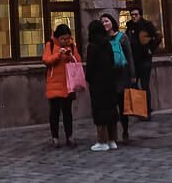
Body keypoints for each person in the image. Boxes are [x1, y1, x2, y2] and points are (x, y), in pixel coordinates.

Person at [99, 11, 137, 143]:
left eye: (107, 21)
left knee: (123, 106)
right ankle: (112, 134)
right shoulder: (102, 39)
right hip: (110, 76)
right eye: (102, 22)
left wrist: (133, 75)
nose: (105, 24)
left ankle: (125, 130)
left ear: (112, 22)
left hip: (122, 75)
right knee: (111, 106)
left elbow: (130, 56)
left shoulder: (122, 37)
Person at [42, 23, 81, 147]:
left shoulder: (72, 46)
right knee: (54, 112)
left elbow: (78, 61)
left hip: (68, 84)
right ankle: (55, 137)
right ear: (57, 38)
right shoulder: (51, 44)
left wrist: (70, 55)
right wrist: (58, 54)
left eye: (67, 38)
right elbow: (46, 60)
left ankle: (69, 136)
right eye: (63, 39)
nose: (65, 41)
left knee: (67, 112)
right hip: (54, 83)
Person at [85, 19, 120, 151]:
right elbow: (112, 61)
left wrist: (89, 78)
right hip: (110, 82)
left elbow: (91, 67)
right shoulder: (108, 44)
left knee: (100, 112)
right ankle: (112, 139)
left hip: (98, 84)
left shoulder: (92, 46)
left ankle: (102, 140)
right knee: (111, 110)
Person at [126, 4, 159, 113]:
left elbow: (158, 36)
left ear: (140, 15)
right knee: (133, 84)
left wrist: (151, 49)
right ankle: (139, 108)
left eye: (136, 15)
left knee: (145, 85)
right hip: (133, 60)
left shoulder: (147, 25)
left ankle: (147, 110)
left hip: (145, 59)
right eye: (132, 15)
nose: (134, 17)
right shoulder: (129, 26)